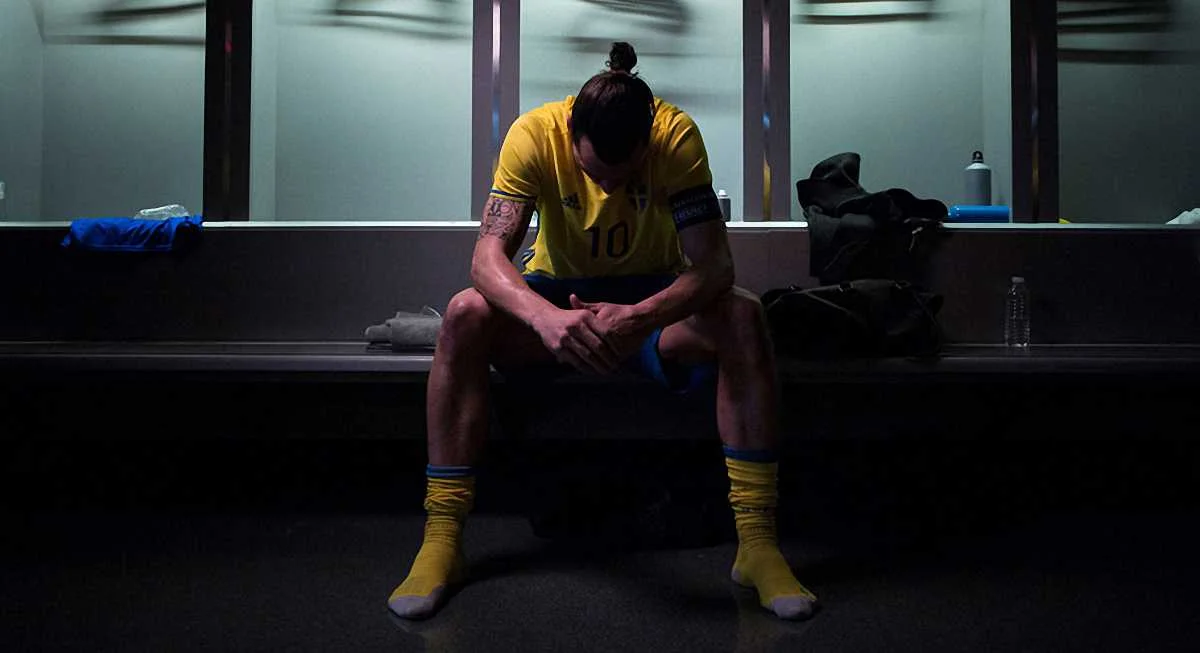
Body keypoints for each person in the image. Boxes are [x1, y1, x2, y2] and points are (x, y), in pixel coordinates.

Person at [387, 42, 817, 621]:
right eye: (596, 174)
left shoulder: (674, 137)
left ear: (647, 141)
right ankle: (442, 538)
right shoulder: (534, 135)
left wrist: (638, 317)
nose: (611, 189)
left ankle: (758, 544)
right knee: (464, 314)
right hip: (555, 301)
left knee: (742, 315)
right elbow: (486, 259)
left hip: (649, 304)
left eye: (625, 174)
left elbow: (715, 266)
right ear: (572, 135)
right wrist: (545, 319)